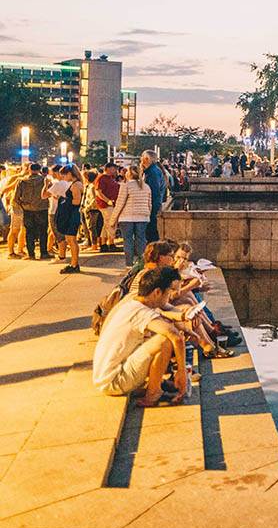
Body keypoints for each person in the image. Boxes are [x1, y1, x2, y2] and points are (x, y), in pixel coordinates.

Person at [92, 266, 189, 407]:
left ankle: (156, 386)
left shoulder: (133, 304)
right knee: (165, 339)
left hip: (107, 376)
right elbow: (175, 337)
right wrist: (182, 372)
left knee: (160, 336)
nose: (170, 297)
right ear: (157, 292)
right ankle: (153, 394)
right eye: (168, 293)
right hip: (113, 380)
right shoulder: (140, 312)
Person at [113, 164, 152, 267]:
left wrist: (113, 219)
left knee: (128, 240)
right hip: (143, 217)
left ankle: (129, 265)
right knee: (141, 240)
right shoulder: (146, 187)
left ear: (128, 174)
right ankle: (141, 264)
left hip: (126, 217)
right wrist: (147, 214)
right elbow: (149, 204)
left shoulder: (125, 186)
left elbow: (120, 203)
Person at [50, 165, 84, 274]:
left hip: (73, 215)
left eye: (64, 174)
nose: (63, 177)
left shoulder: (76, 185)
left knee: (71, 240)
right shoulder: (77, 184)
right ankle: (73, 264)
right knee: (70, 239)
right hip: (73, 214)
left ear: (70, 174)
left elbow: (76, 201)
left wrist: (64, 198)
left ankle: (74, 264)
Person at [15, 164, 50, 260]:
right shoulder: (45, 180)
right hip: (42, 209)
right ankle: (44, 253)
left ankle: (31, 254)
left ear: (29, 170)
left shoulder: (21, 181)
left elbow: (16, 198)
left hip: (28, 210)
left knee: (29, 232)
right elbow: (50, 193)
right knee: (43, 231)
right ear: (39, 170)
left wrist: (23, 205)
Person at [141, 151, 167, 242]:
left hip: (152, 204)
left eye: (142, 158)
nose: (141, 160)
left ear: (147, 159)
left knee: (151, 229)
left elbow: (153, 190)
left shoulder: (152, 172)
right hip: (154, 203)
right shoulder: (155, 170)